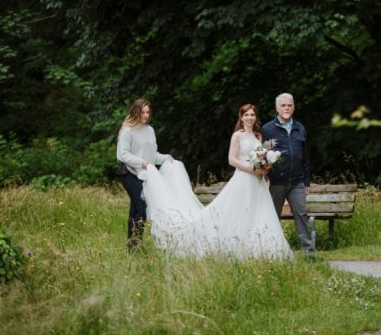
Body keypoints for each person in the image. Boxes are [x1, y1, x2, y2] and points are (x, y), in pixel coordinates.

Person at [141, 104, 292, 258]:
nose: (249, 118)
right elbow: (232, 160)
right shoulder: (237, 135)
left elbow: (261, 156)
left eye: (252, 115)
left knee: (259, 211)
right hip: (243, 179)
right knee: (240, 211)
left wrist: (265, 166)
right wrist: (252, 169)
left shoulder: (258, 136)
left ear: (256, 117)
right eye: (246, 115)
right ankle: (233, 244)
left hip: (258, 183)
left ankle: (264, 248)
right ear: (241, 117)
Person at [262, 93, 315, 258]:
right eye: (283, 105)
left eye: (289, 105)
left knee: (302, 215)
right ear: (277, 108)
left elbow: (305, 156)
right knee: (273, 217)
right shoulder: (267, 129)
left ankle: (309, 253)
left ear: (294, 107)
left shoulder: (300, 127)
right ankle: (272, 252)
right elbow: (262, 156)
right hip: (276, 182)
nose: (286, 108)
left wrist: (307, 182)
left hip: (298, 182)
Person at [116, 99, 174, 250]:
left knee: (136, 208)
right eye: (142, 112)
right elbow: (123, 154)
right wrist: (141, 162)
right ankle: (136, 243)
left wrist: (166, 158)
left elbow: (152, 155)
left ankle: (133, 244)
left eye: (148, 112)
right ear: (135, 112)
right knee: (142, 206)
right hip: (129, 173)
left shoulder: (150, 130)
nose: (146, 115)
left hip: (145, 174)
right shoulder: (128, 131)